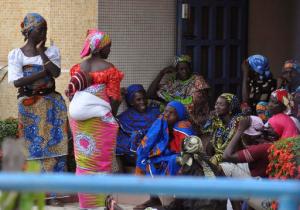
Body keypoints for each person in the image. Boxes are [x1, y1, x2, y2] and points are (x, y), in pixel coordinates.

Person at [7, 13, 68, 204]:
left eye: (45, 29)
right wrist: (43, 72)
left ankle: (54, 195)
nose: (44, 32)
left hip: (52, 105)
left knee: (56, 149)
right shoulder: (16, 54)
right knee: (32, 151)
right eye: (40, 29)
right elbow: (17, 82)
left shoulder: (51, 52)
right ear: (28, 31)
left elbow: (56, 73)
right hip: (29, 108)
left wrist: (42, 52)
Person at [66, 29, 124, 209]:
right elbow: (114, 98)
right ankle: (103, 202)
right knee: (101, 163)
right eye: (109, 47)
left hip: (78, 123)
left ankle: (88, 204)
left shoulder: (78, 67)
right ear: (100, 49)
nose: (110, 51)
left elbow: (72, 94)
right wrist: (111, 116)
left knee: (84, 162)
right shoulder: (109, 69)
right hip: (100, 122)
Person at [134, 101, 194, 210]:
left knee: (174, 161)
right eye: (166, 111)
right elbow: (151, 137)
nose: (166, 114)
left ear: (179, 115)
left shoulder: (182, 126)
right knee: (144, 159)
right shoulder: (162, 120)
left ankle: (173, 203)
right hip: (165, 154)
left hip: (180, 157)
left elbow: (189, 151)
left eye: (171, 113)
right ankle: (154, 199)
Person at [222, 116, 272, 210]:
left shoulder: (259, 149)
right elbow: (236, 154)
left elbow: (226, 156)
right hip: (265, 190)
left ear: (251, 136)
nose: (242, 137)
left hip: (268, 201)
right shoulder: (262, 144)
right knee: (238, 165)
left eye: (244, 135)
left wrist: (240, 130)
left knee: (226, 167)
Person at [116, 84, 162, 172]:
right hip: (136, 151)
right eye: (138, 99)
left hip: (155, 146)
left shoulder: (155, 111)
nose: (143, 102)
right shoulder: (125, 117)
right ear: (131, 102)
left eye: (144, 98)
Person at [206, 93, 244, 166]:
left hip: (234, 161)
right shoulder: (217, 122)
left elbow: (238, 148)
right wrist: (212, 126)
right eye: (216, 104)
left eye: (221, 105)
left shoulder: (238, 122)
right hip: (218, 160)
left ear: (230, 107)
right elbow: (209, 150)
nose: (217, 107)